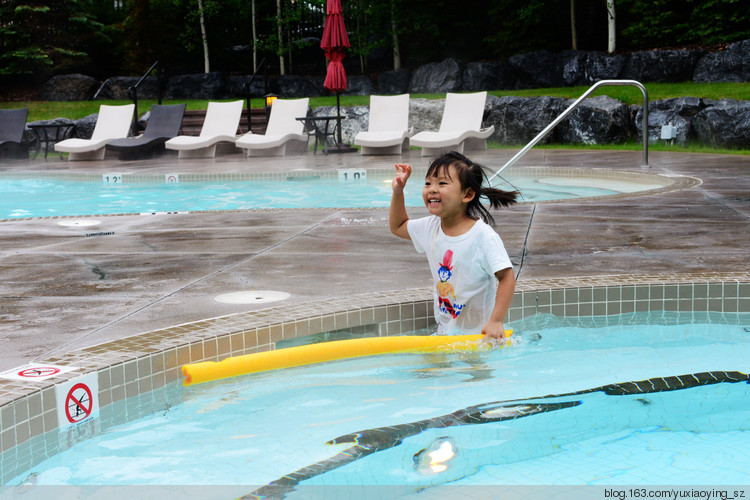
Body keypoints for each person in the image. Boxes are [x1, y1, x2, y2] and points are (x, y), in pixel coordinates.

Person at [389, 151, 518, 341]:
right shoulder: (430, 227)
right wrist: (398, 191)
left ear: (467, 194)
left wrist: (496, 321)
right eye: (428, 183)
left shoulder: (483, 237)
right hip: (446, 334)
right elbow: (398, 226)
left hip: (480, 337)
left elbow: (507, 277)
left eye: (442, 183)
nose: (432, 189)